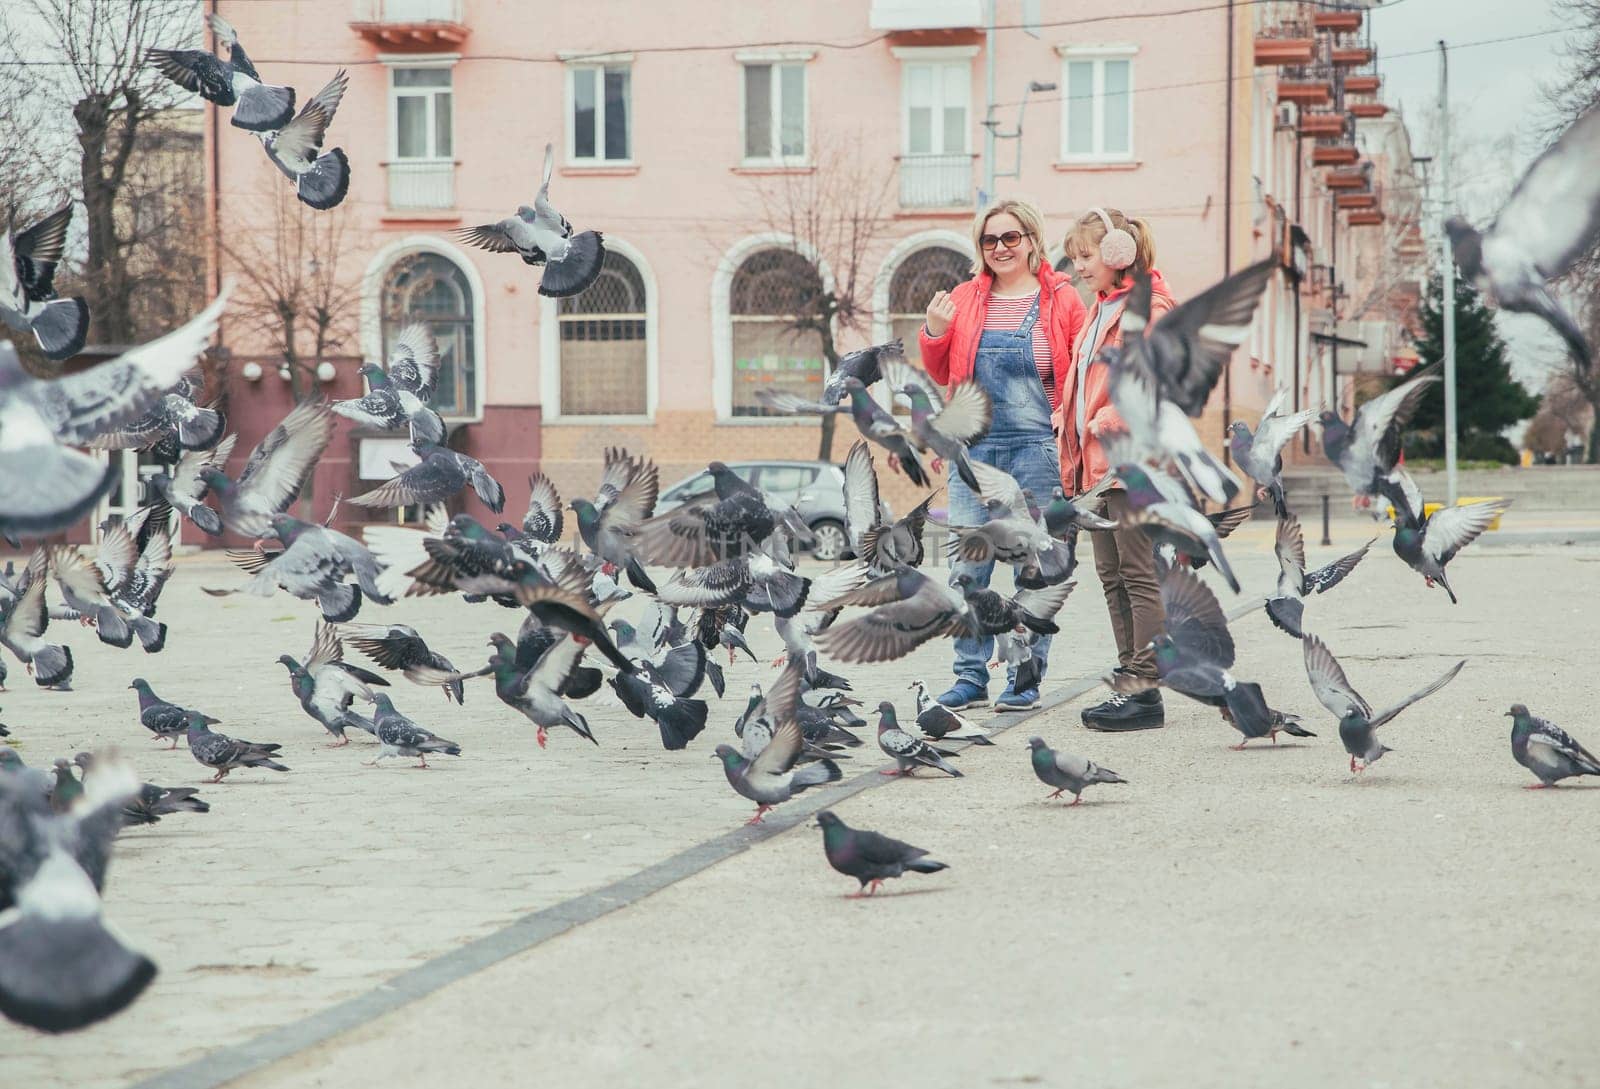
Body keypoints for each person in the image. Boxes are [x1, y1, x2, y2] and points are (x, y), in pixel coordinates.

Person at [918, 199, 1086, 712]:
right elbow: (945, 374)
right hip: (976, 450)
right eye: (990, 241)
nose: (1001, 249)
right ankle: (970, 677)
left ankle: (1024, 679)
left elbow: (1084, 369)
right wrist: (934, 331)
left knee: (1035, 570)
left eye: (1011, 238)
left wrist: (1078, 427)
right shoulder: (966, 299)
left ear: (1032, 240)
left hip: (1039, 447)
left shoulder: (1063, 299)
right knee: (969, 571)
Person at [1056, 207, 1172, 731]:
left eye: (1086, 255)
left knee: (1137, 574)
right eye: (1075, 256)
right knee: (1112, 576)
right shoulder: (1101, 308)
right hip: (1096, 468)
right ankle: (1131, 675)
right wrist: (1068, 416)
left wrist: (1102, 419)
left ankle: (1145, 691)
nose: (1079, 266)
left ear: (1118, 251)